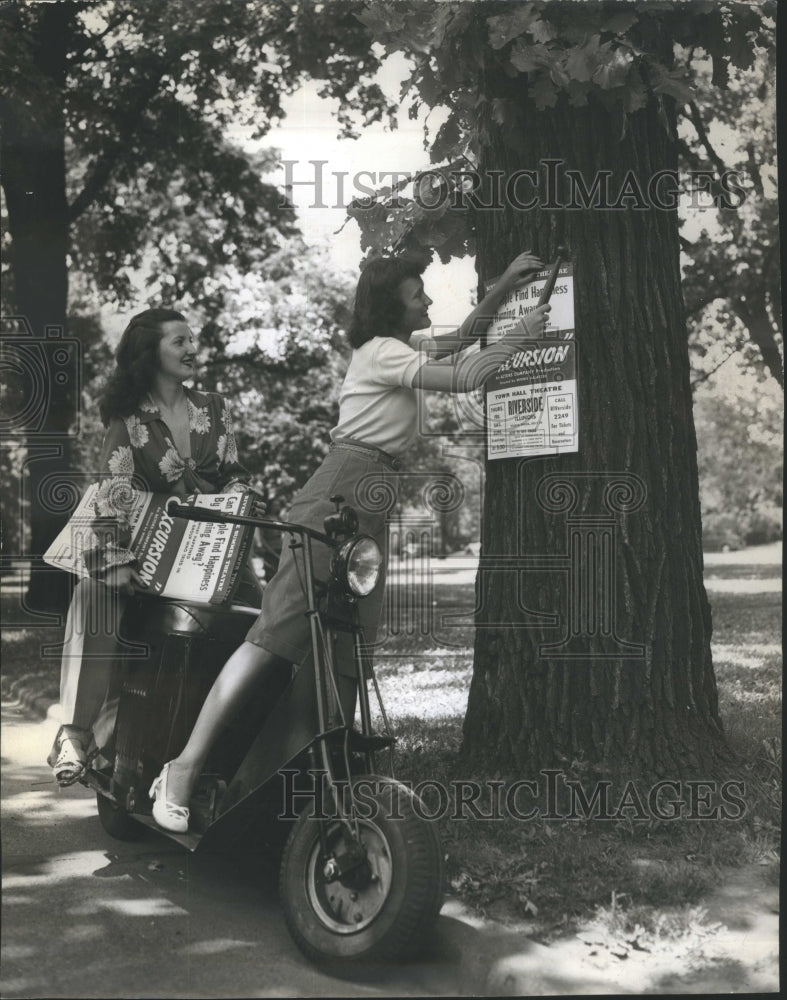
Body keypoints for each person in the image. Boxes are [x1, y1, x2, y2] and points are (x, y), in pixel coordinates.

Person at [149, 251, 550, 832]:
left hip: (371, 496)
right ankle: (182, 769)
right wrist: (520, 336)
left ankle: (315, 775)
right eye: (418, 295)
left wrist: (504, 287)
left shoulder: (401, 349)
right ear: (392, 305)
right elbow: (467, 373)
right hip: (340, 489)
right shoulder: (381, 353)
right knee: (275, 635)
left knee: (349, 646)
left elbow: (464, 338)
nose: (428, 301)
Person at [48, 308, 261, 785]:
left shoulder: (215, 408)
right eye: (179, 341)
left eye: (192, 340)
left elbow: (234, 472)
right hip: (148, 552)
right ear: (151, 352)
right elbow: (112, 492)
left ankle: (248, 752)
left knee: (262, 626)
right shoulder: (129, 419)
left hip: (210, 552)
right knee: (91, 597)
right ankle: (76, 734)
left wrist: (239, 494)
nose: (191, 349)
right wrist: (117, 562)